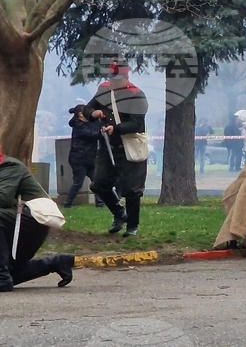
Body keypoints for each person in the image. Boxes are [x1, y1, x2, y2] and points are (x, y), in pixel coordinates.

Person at [85, 60, 149, 237]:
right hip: (108, 147)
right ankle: (120, 213)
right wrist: (93, 113)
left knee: (132, 190)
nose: (113, 81)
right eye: (111, 78)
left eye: (117, 78)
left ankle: (132, 226)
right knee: (99, 184)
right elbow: (88, 108)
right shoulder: (104, 90)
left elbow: (137, 124)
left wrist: (116, 128)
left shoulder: (136, 95)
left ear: (126, 77)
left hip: (129, 147)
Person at [0, 153, 75, 292]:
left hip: (30, 223)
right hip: (11, 226)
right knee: (10, 272)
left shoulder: (9, 166)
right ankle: (55, 263)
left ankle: (2, 278)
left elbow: (2, 198)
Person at [64, 104, 104, 208]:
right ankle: (68, 203)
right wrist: (100, 132)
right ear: (81, 114)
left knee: (97, 181)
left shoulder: (89, 123)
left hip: (90, 157)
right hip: (79, 159)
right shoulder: (78, 125)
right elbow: (89, 134)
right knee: (78, 183)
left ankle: (100, 203)